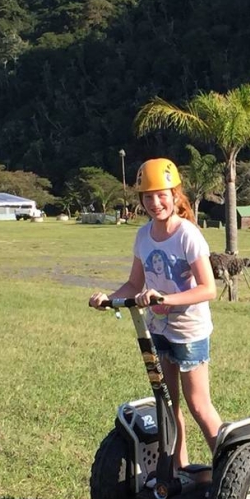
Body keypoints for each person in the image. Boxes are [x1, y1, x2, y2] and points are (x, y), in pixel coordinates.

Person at [89, 158, 221, 472]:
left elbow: (208, 288)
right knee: (167, 405)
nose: (155, 202)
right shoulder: (143, 235)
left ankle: (230, 470)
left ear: (175, 195)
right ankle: (181, 469)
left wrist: (165, 297)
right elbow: (135, 283)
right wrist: (108, 298)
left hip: (189, 332)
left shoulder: (187, 234)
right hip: (157, 329)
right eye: (148, 196)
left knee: (198, 405)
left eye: (161, 194)